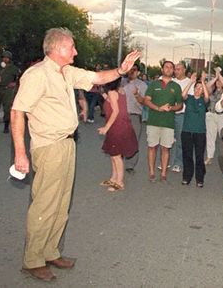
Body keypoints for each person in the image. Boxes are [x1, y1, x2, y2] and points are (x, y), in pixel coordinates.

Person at [10, 27, 140, 282]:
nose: (76, 52)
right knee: (45, 204)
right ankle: (33, 260)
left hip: (68, 144)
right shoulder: (36, 75)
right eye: (72, 47)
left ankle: (50, 251)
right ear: (57, 49)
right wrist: (20, 153)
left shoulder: (67, 72)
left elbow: (98, 77)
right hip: (48, 146)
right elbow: (18, 112)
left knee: (61, 203)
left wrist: (121, 70)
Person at [143, 61, 183, 182]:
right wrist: (158, 108)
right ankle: (151, 172)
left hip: (168, 123)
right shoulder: (153, 84)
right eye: (166, 67)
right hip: (153, 121)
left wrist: (172, 108)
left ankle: (164, 173)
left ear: (173, 70)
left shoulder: (176, 87)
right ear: (162, 69)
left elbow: (180, 105)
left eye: (171, 68)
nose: (169, 69)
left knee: (166, 148)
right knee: (152, 147)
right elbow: (146, 100)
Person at [98, 79, 139, 192]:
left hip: (118, 127)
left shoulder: (112, 93)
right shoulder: (120, 91)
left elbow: (115, 111)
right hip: (119, 126)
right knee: (113, 153)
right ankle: (113, 178)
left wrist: (106, 128)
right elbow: (110, 101)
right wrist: (101, 92)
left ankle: (119, 182)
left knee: (116, 156)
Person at [180, 73, 209, 187]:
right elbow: (183, 95)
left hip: (200, 132)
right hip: (187, 131)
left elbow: (207, 96)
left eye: (200, 88)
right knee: (187, 155)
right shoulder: (189, 99)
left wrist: (202, 82)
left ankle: (199, 178)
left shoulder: (204, 101)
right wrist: (191, 82)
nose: (198, 90)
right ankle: (187, 176)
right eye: (196, 88)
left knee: (199, 156)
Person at [121, 64, 147, 173]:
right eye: (130, 69)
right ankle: (118, 162)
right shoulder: (121, 82)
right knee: (120, 140)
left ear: (138, 72)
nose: (132, 71)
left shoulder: (142, 85)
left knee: (133, 141)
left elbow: (143, 101)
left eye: (134, 70)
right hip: (121, 116)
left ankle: (130, 165)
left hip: (135, 115)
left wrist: (136, 94)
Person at [0, 51, 21, 133]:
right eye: (4, 57)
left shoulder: (13, 68)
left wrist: (14, 83)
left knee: (7, 108)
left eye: (7, 58)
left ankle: (6, 126)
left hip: (7, 90)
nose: (5, 59)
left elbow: (18, 77)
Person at [170, 61, 193, 173]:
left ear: (184, 70)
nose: (176, 71)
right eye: (175, 69)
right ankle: (164, 161)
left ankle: (178, 162)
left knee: (180, 140)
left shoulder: (190, 82)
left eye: (179, 69)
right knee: (167, 139)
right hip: (168, 114)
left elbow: (189, 98)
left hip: (182, 115)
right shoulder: (171, 81)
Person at [204, 67, 223, 166]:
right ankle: (209, 156)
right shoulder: (211, 91)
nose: (218, 82)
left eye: (219, 81)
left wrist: (219, 75)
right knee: (210, 136)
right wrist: (216, 77)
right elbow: (207, 85)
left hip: (221, 116)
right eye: (217, 81)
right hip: (210, 115)